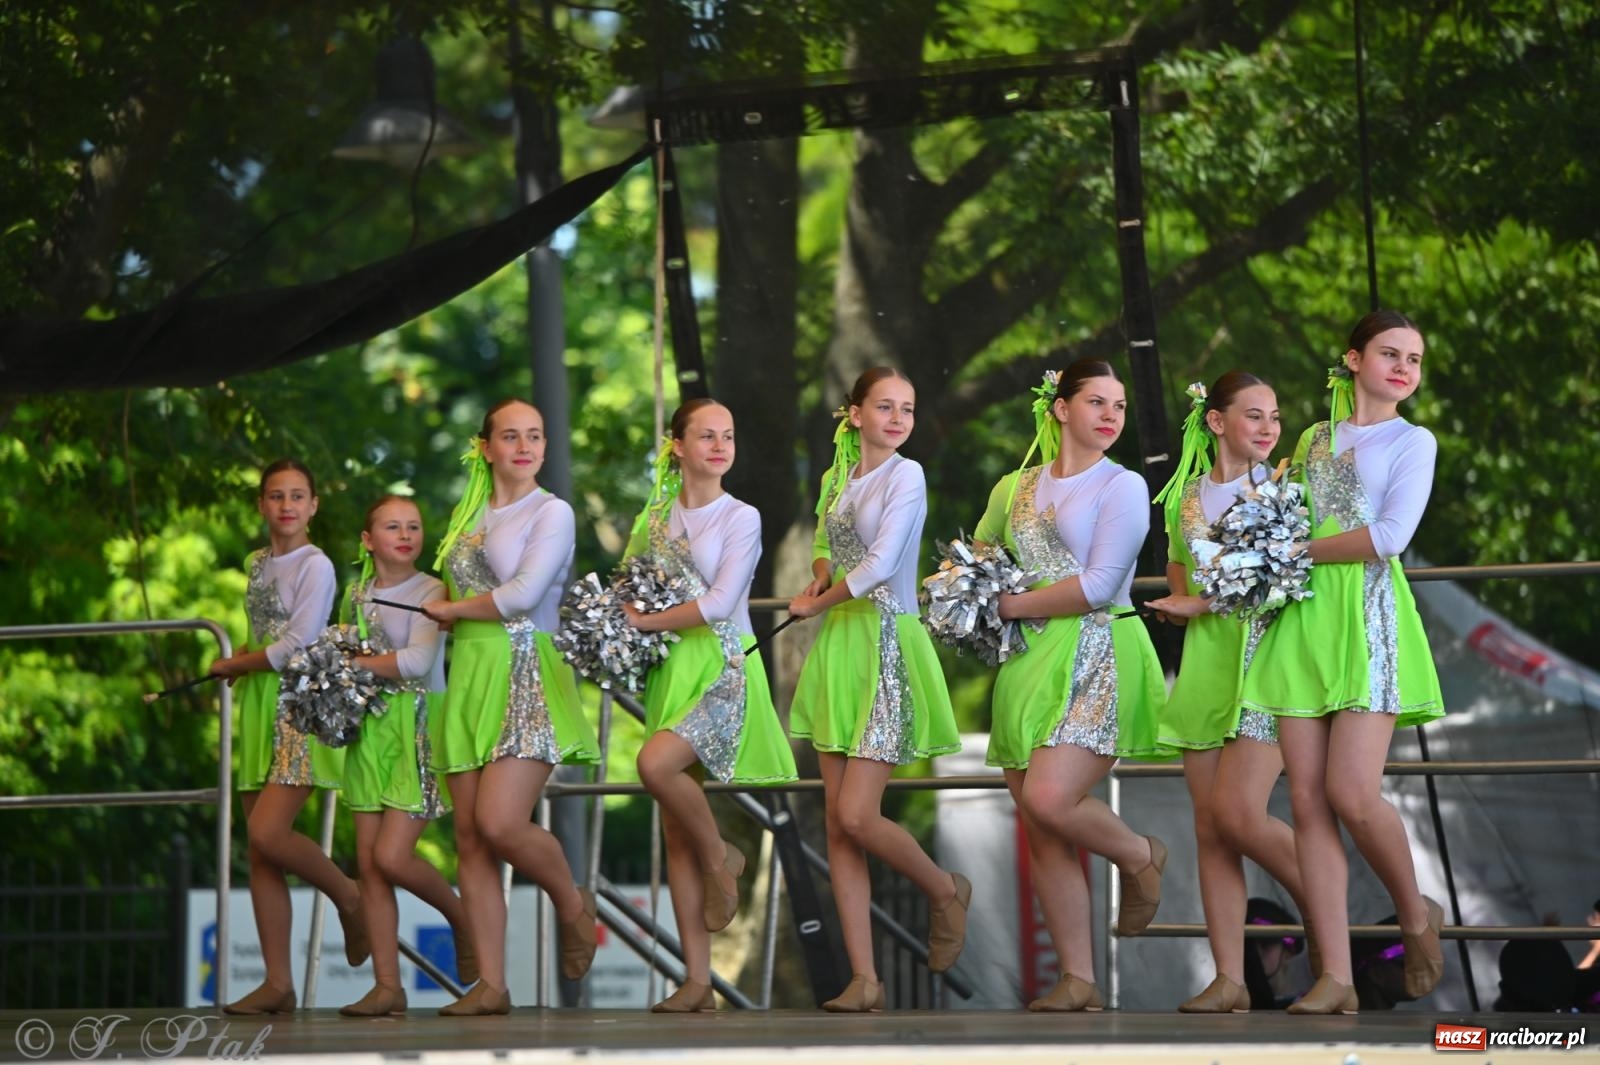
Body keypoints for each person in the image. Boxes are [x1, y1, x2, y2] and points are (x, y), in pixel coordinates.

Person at [1240, 311, 1447, 1015]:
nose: (1404, 368)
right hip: (1304, 622)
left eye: (1414, 359)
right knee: (1304, 802)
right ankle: (1336, 975)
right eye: (1390, 353)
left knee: (1352, 794)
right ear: (1352, 358)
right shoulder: (1314, 438)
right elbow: (1287, 515)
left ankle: (1415, 917)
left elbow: (1389, 536)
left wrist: (1293, 552)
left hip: (1368, 620)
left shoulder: (1414, 440)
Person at [975, 360, 1168, 1012]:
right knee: (1040, 820)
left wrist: (1008, 604)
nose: (1112, 414)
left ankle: (1141, 854)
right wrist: (970, 591)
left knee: (1053, 797)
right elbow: (976, 559)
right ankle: (1077, 975)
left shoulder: (1125, 486)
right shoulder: (1013, 487)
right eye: (1096, 401)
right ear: (1059, 408)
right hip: (1027, 661)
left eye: (1118, 403)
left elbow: (1096, 584)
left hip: (1098, 649)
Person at [788, 367, 966, 1012]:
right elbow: (823, 544)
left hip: (886, 641)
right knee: (840, 826)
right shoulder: (840, 477)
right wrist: (816, 580)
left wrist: (819, 601)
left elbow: (882, 564)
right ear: (854, 414)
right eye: (884, 407)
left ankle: (944, 889)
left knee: (859, 815)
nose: (896, 418)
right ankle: (864, 979)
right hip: (840, 647)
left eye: (907, 409)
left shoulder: (906, 475)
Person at [424, 399, 601, 1016]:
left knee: (500, 823)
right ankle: (492, 987)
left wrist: (448, 611)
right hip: (467, 672)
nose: (525, 446)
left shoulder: (552, 511)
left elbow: (522, 595)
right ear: (486, 447)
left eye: (535, 435)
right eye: (510, 435)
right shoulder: (467, 512)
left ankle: (573, 903)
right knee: (470, 839)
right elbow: (445, 586)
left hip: (524, 669)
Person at [622, 399, 799, 1012]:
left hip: (723, 667)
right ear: (677, 444)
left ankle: (723, 856)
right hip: (673, 669)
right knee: (674, 828)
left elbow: (723, 602)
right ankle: (697, 981)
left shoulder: (741, 515)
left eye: (728, 435)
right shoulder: (653, 518)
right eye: (707, 435)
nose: (721, 445)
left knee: (655, 767)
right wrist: (623, 627)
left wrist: (646, 624)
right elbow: (629, 588)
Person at [1145, 373, 1311, 1014]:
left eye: (1274, 415)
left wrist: (1202, 599)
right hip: (1208, 668)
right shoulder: (1183, 499)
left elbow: (1286, 581)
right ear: (1215, 422)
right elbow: (1182, 580)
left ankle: (1329, 926)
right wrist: (1179, 607)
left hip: (1266, 662)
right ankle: (1229, 978)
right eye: (1253, 415)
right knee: (1213, 827)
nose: (1269, 427)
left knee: (1240, 813)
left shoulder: (1286, 492)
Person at [209, 459, 366, 1015]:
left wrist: (237, 663)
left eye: (298, 495)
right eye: (276, 496)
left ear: (314, 505)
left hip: (297, 705)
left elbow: (297, 643)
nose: (287, 506)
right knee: (259, 850)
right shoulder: (256, 563)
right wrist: (242, 671)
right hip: (257, 703)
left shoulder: (316, 564)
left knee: (268, 831)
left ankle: (350, 895)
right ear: (261, 504)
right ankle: (279, 983)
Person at [337, 495, 475, 1016]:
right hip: (370, 730)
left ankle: (461, 917)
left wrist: (360, 663)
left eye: (414, 526)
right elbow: (344, 650)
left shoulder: (432, 590)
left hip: (417, 726)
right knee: (369, 866)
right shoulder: (356, 593)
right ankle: (387, 986)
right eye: (392, 526)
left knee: (392, 858)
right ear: (368, 540)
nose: (406, 535)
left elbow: (419, 661)